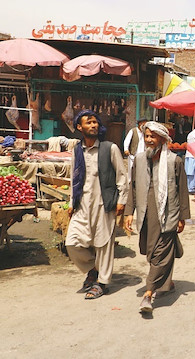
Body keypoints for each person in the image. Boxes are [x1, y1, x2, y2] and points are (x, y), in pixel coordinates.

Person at [124, 122, 190, 313]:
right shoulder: (139, 159)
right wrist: (129, 212)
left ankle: (148, 294)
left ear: (162, 139)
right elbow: (133, 188)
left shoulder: (174, 161)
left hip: (169, 213)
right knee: (152, 251)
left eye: (153, 136)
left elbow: (182, 190)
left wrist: (182, 216)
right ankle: (166, 283)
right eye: (146, 136)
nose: (149, 140)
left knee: (160, 254)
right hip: (146, 213)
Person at [65, 110, 128, 300]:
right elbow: (73, 178)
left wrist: (122, 201)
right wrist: (71, 202)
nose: (93, 125)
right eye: (89, 122)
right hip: (82, 203)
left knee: (103, 244)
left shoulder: (110, 148)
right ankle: (92, 269)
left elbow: (122, 177)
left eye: (95, 122)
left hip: (103, 202)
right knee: (72, 242)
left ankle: (102, 282)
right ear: (79, 127)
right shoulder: (77, 149)